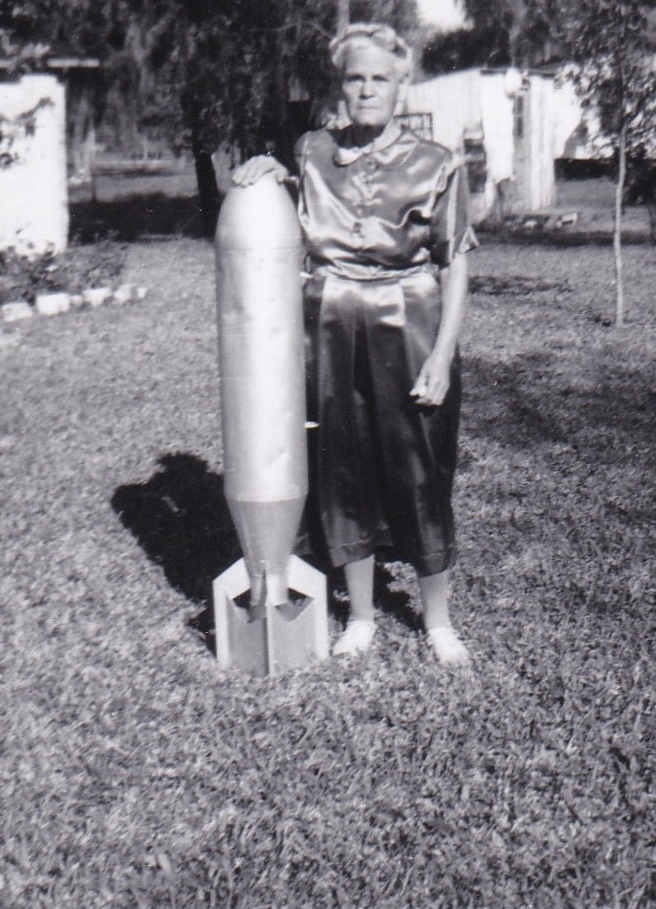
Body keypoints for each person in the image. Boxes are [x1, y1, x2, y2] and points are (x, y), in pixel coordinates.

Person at [231, 22, 477, 666]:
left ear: (402, 86)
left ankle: (439, 621)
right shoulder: (312, 151)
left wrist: (444, 356)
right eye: (354, 78)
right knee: (344, 469)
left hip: (412, 321)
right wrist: (268, 174)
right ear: (340, 86)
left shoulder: (439, 163)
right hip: (333, 326)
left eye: (379, 78)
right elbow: (292, 214)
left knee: (420, 470)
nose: (366, 89)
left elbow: (454, 266)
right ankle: (363, 616)